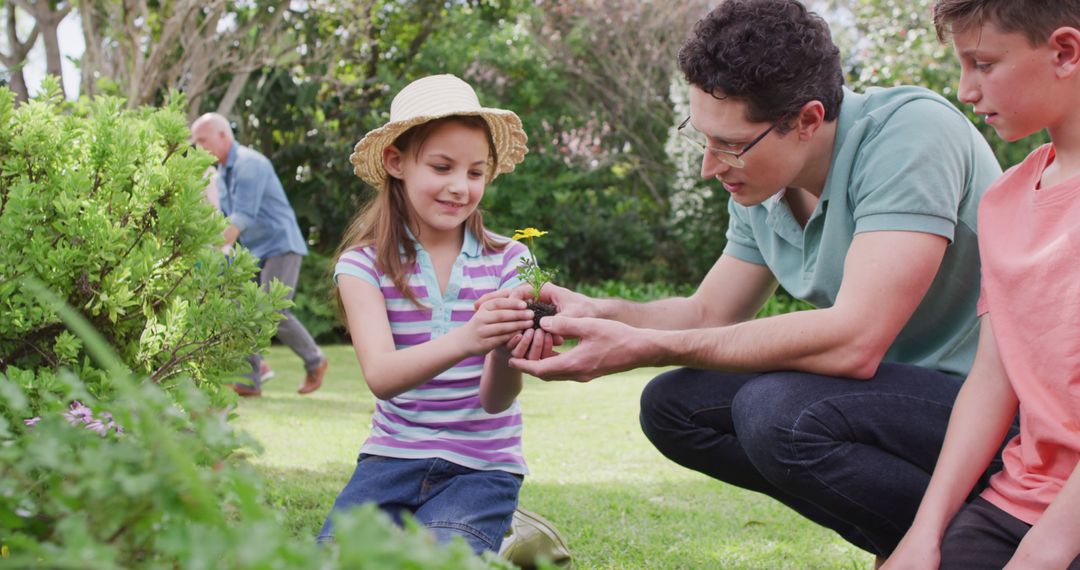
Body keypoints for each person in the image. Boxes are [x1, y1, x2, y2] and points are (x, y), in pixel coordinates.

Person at [498, 0, 1010, 559]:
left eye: (729, 145)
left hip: (995, 408)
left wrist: (646, 345)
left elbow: (856, 341)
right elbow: (708, 314)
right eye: (702, 137)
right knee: (673, 407)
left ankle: (975, 536)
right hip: (895, 404)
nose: (709, 166)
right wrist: (600, 312)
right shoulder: (764, 184)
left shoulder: (910, 134)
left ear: (808, 120)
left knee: (781, 412)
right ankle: (919, 541)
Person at [884, 2, 1080, 568]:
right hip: (1017, 504)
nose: (966, 90)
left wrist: (1048, 548)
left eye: (983, 64)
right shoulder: (1004, 202)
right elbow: (993, 378)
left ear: (1064, 52)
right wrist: (925, 533)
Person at [316, 74, 539, 555]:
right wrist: (469, 337)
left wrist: (505, 345)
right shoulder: (362, 264)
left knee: (441, 560)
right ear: (396, 162)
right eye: (442, 167)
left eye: (476, 173)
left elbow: (498, 401)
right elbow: (381, 375)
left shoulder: (510, 261)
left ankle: (484, 537)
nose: (460, 187)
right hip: (390, 461)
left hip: (483, 466)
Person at [191, 113, 328, 397]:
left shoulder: (248, 164)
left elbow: (242, 217)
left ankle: (315, 361)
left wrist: (214, 248)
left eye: (202, 140)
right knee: (244, 311)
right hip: (254, 251)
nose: (198, 147)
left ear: (222, 135)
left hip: (281, 245)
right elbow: (223, 217)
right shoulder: (224, 171)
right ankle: (249, 381)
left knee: (273, 310)